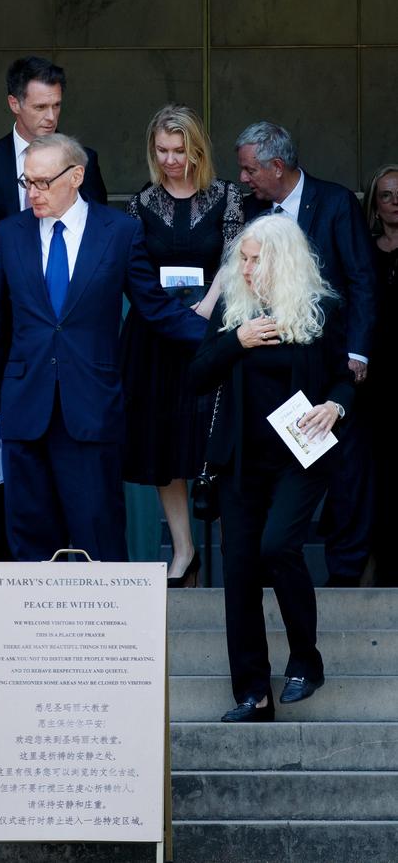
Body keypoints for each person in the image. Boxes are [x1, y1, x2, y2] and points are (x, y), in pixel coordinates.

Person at [0, 133, 207, 563]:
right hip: (25, 408)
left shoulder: (118, 232)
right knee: (29, 537)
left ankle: (103, 632)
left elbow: (155, 310)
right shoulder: (8, 234)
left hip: (92, 406)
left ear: (76, 176)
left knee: (97, 532)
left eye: (43, 182)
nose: (33, 193)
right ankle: (34, 632)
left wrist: (225, 339)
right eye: (27, 182)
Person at [190, 216, 354, 722]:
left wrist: (335, 408)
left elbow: (344, 380)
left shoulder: (320, 310)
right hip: (241, 462)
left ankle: (306, 658)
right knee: (239, 572)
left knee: (278, 545)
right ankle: (253, 694)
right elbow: (196, 375)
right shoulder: (234, 312)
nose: (246, 267)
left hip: (301, 457)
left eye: (256, 258)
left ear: (282, 260)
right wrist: (236, 339)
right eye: (243, 257)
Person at [235, 121, 376, 586]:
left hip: (330, 365)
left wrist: (357, 353)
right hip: (273, 371)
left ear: (277, 166)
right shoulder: (251, 210)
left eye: (250, 169)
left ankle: (345, 573)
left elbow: (360, 280)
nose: (244, 179)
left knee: (347, 468)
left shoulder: (334, 203)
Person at [120, 104, 243, 586]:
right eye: (162, 150)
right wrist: (169, 316)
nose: (171, 160)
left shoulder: (227, 196)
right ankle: (184, 549)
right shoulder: (141, 203)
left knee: (216, 440)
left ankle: (235, 550)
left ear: (197, 149)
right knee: (163, 445)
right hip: (154, 336)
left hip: (212, 327)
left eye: (180, 150)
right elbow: (136, 272)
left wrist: (209, 307)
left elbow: (236, 260)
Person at [0, 55, 107, 335]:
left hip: (67, 317)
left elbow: (100, 237)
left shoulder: (84, 162)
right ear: (14, 104)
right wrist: (0, 277)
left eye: (56, 105)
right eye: (40, 107)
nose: (51, 117)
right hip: (2, 321)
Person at [363, 164, 398, 585]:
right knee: (377, 477)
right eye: (387, 195)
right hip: (374, 380)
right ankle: (375, 566)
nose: (395, 203)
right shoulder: (366, 250)